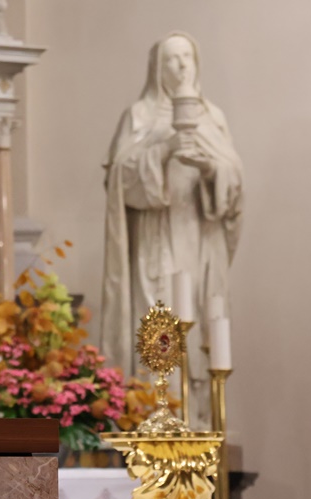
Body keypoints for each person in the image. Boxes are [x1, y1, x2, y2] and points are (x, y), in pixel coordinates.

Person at [100, 32, 243, 421]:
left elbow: (234, 186)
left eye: (186, 58)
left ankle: (199, 420)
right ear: (156, 69)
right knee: (158, 322)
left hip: (200, 239)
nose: (180, 67)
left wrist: (211, 168)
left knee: (202, 326)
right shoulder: (139, 116)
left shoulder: (213, 118)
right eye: (171, 59)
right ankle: (156, 416)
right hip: (156, 238)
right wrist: (163, 151)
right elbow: (119, 181)